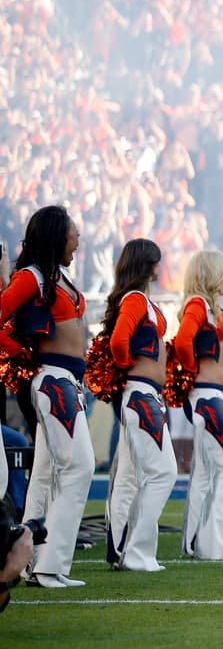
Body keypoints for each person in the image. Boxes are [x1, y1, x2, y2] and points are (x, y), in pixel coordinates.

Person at [0, 206, 94, 588]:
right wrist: (19, 352)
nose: (78, 240)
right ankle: (50, 565)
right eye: (74, 233)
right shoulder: (31, 277)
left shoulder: (58, 277)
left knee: (43, 475)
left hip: (67, 383)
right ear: (57, 236)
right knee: (80, 466)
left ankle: (25, 560)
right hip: (54, 382)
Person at [95, 238, 177, 571]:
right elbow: (118, 341)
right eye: (157, 260)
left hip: (143, 394)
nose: (161, 265)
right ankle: (137, 553)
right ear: (147, 264)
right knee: (164, 472)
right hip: (140, 395)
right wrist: (128, 367)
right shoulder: (135, 299)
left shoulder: (139, 299)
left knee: (129, 477)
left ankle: (119, 550)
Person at [171, 249, 223, 560]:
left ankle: (196, 542)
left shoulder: (209, 307)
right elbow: (182, 342)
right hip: (208, 397)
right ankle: (213, 545)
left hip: (215, 396)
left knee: (206, 473)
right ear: (211, 273)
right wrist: (193, 371)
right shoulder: (197, 305)